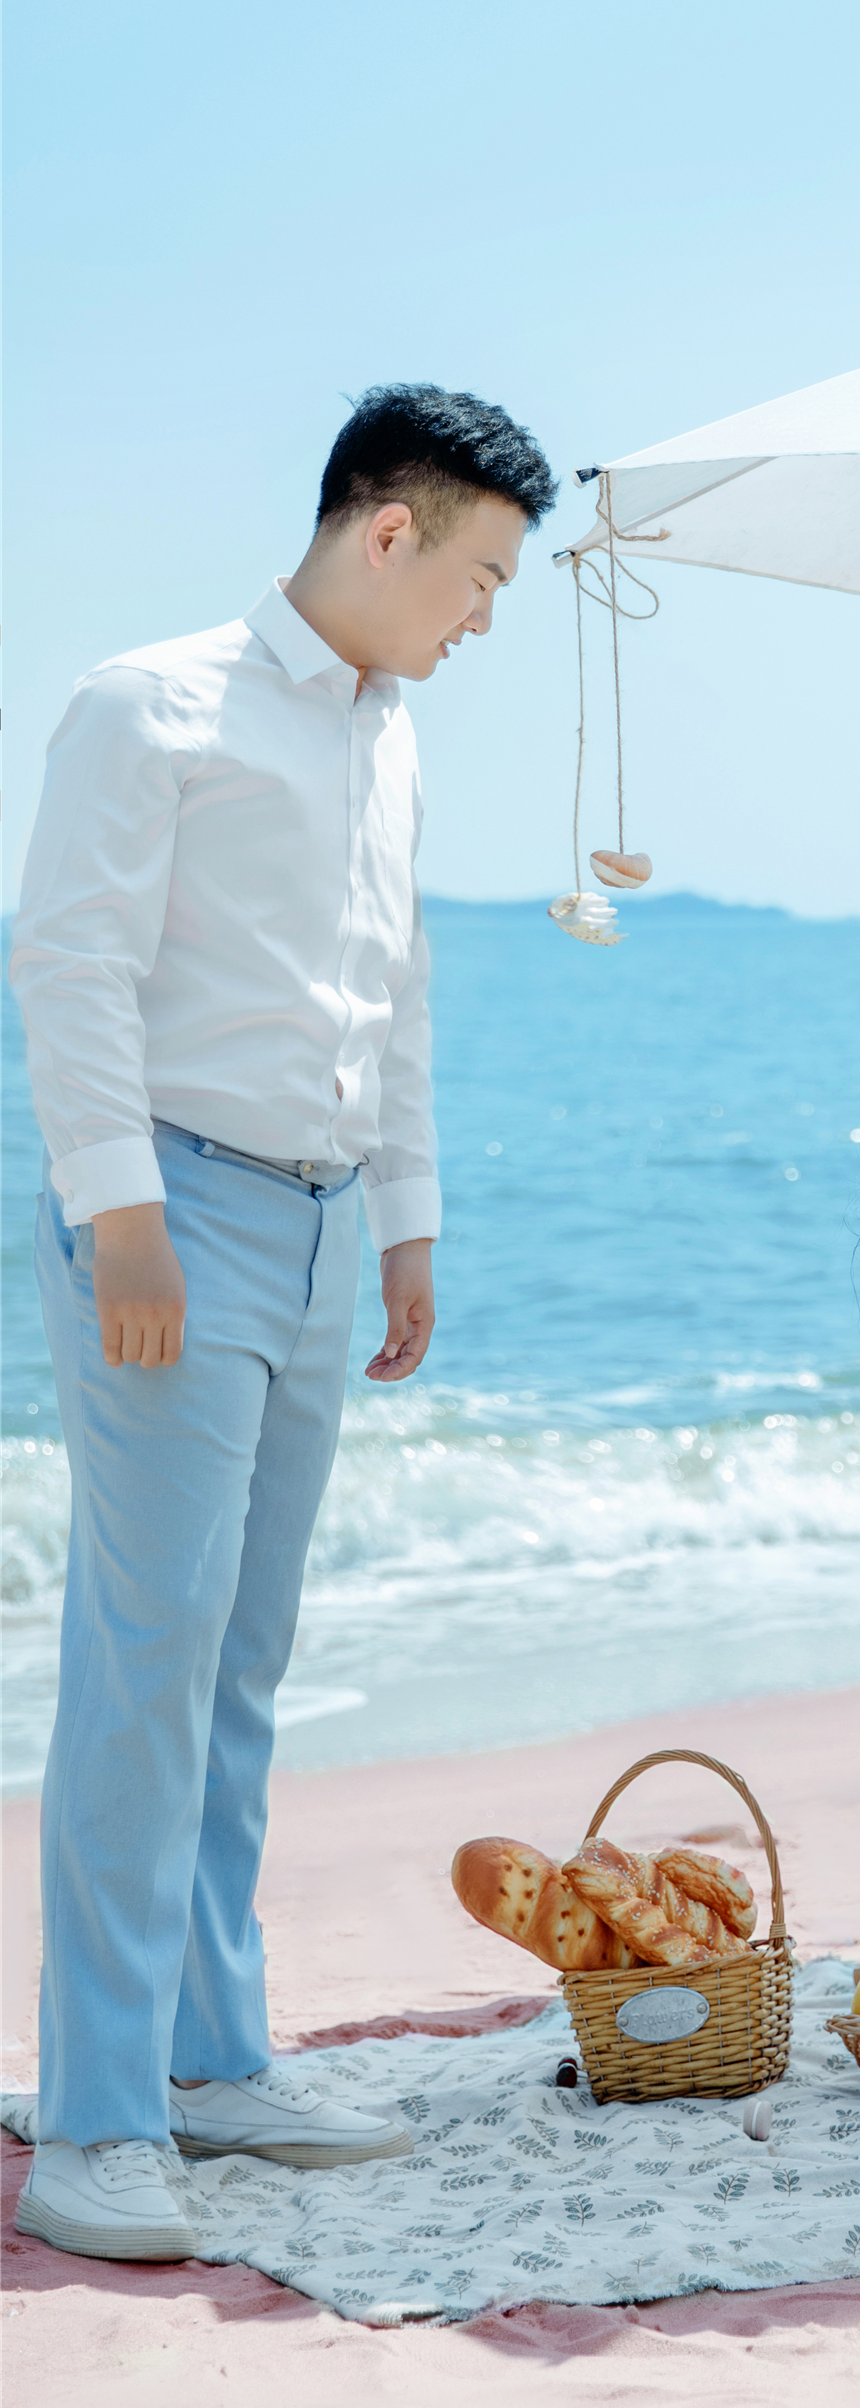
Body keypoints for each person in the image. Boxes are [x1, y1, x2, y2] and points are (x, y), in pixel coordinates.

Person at [9, 384, 557, 2261]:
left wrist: (408, 1224)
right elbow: (70, 966)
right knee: (145, 1663)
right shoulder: (148, 704)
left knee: (242, 1662)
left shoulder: (390, 739)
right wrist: (123, 1220)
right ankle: (96, 2119)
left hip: (326, 1226)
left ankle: (213, 2057)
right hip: (175, 1210)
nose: (482, 619)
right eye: (479, 579)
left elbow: (394, 994)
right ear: (389, 530)